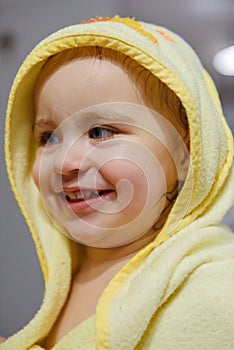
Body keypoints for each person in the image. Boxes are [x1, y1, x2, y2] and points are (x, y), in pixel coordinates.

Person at [1, 15, 234, 350]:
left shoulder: (215, 286)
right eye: (48, 136)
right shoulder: (74, 271)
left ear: (185, 155)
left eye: (101, 132)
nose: (66, 162)